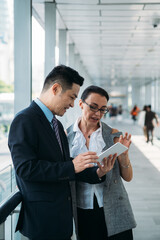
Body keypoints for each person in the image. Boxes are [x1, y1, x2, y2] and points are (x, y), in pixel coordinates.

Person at [8, 66, 114, 240]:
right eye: (71, 97)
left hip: (61, 220)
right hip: (42, 221)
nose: (72, 104)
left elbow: (64, 163)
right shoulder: (25, 120)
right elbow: (25, 168)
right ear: (55, 88)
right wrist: (71, 166)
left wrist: (97, 173)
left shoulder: (56, 125)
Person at [67, 85, 136, 240]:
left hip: (115, 208)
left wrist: (124, 156)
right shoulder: (67, 137)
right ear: (80, 104)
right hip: (82, 209)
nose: (97, 114)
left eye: (103, 109)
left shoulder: (112, 135)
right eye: (93, 107)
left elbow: (128, 177)